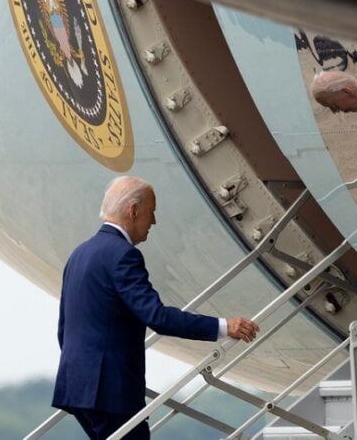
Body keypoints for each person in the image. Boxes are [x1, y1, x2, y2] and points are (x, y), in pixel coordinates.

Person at [52, 176, 259, 439]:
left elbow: (64, 327)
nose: (154, 221)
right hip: (110, 391)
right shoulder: (123, 255)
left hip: (78, 386)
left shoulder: (80, 253)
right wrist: (223, 326)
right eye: (152, 212)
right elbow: (157, 316)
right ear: (133, 210)